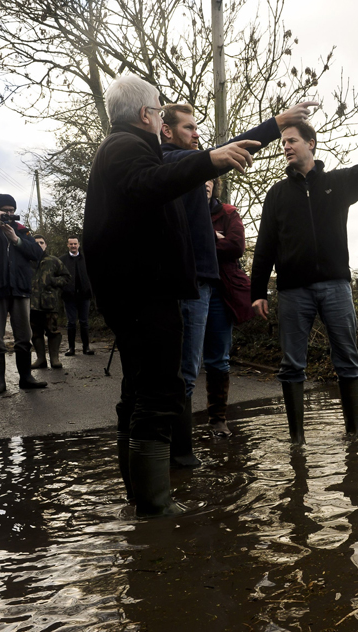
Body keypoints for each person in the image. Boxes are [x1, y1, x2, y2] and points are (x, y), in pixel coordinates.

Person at [83, 74, 263, 517]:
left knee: (139, 391)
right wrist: (209, 160)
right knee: (156, 393)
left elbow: (157, 182)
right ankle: (153, 508)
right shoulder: (126, 149)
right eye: (160, 110)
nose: (162, 115)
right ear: (147, 115)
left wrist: (272, 125)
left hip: (135, 291)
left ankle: (140, 501)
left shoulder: (121, 150)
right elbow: (154, 182)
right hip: (144, 293)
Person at [160, 99, 317, 466]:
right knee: (185, 369)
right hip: (189, 284)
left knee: (209, 360)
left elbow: (235, 245)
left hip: (210, 285)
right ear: (166, 131)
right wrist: (276, 122)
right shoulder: (169, 162)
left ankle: (199, 435)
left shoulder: (204, 186)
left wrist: (274, 126)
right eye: (189, 128)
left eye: (198, 129)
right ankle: (179, 455)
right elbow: (224, 152)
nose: (197, 135)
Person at [251, 115, 358, 444]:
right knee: (292, 364)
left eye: (292, 140)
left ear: (310, 144)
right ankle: (296, 439)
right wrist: (258, 292)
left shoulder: (337, 184)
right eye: (283, 142)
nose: (285, 146)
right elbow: (266, 245)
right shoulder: (277, 195)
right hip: (293, 291)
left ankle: (354, 434)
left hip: (335, 286)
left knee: (348, 359)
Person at [0, 194, 47, 394]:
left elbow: (37, 254)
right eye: (4, 210)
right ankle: (0, 381)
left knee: (24, 335)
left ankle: (26, 377)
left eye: (11, 210)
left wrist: (15, 239)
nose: (9, 214)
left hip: (19, 289)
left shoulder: (22, 231)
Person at [203, 177, 255, 438]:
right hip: (187, 290)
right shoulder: (177, 209)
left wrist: (204, 239)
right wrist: (213, 237)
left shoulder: (228, 212)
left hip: (220, 292)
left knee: (217, 358)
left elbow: (236, 246)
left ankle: (217, 419)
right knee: (183, 360)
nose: (205, 183)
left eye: (209, 179)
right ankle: (176, 423)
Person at [30, 234, 71, 370]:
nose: (39, 245)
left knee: (52, 331)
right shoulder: (26, 261)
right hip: (31, 304)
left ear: (46, 245)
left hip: (49, 303)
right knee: (35, 333)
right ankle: (41, 359)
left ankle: (55, 359)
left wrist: (53, 281)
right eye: (36, 243)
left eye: (42, 242)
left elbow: (66, 277)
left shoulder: (53, 261)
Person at [59, 236, 94, 356]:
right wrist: (63, 288)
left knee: (84, 322)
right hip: (69, 296)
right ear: (67, 245)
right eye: (71, 244)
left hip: (84, 296)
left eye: (75, 244)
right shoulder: (62, 260)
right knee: (71, 323)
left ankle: (86, 347)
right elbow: (57, 276)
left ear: (78, 244)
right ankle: (71, 348)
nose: (73, 246)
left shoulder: (86, 258)